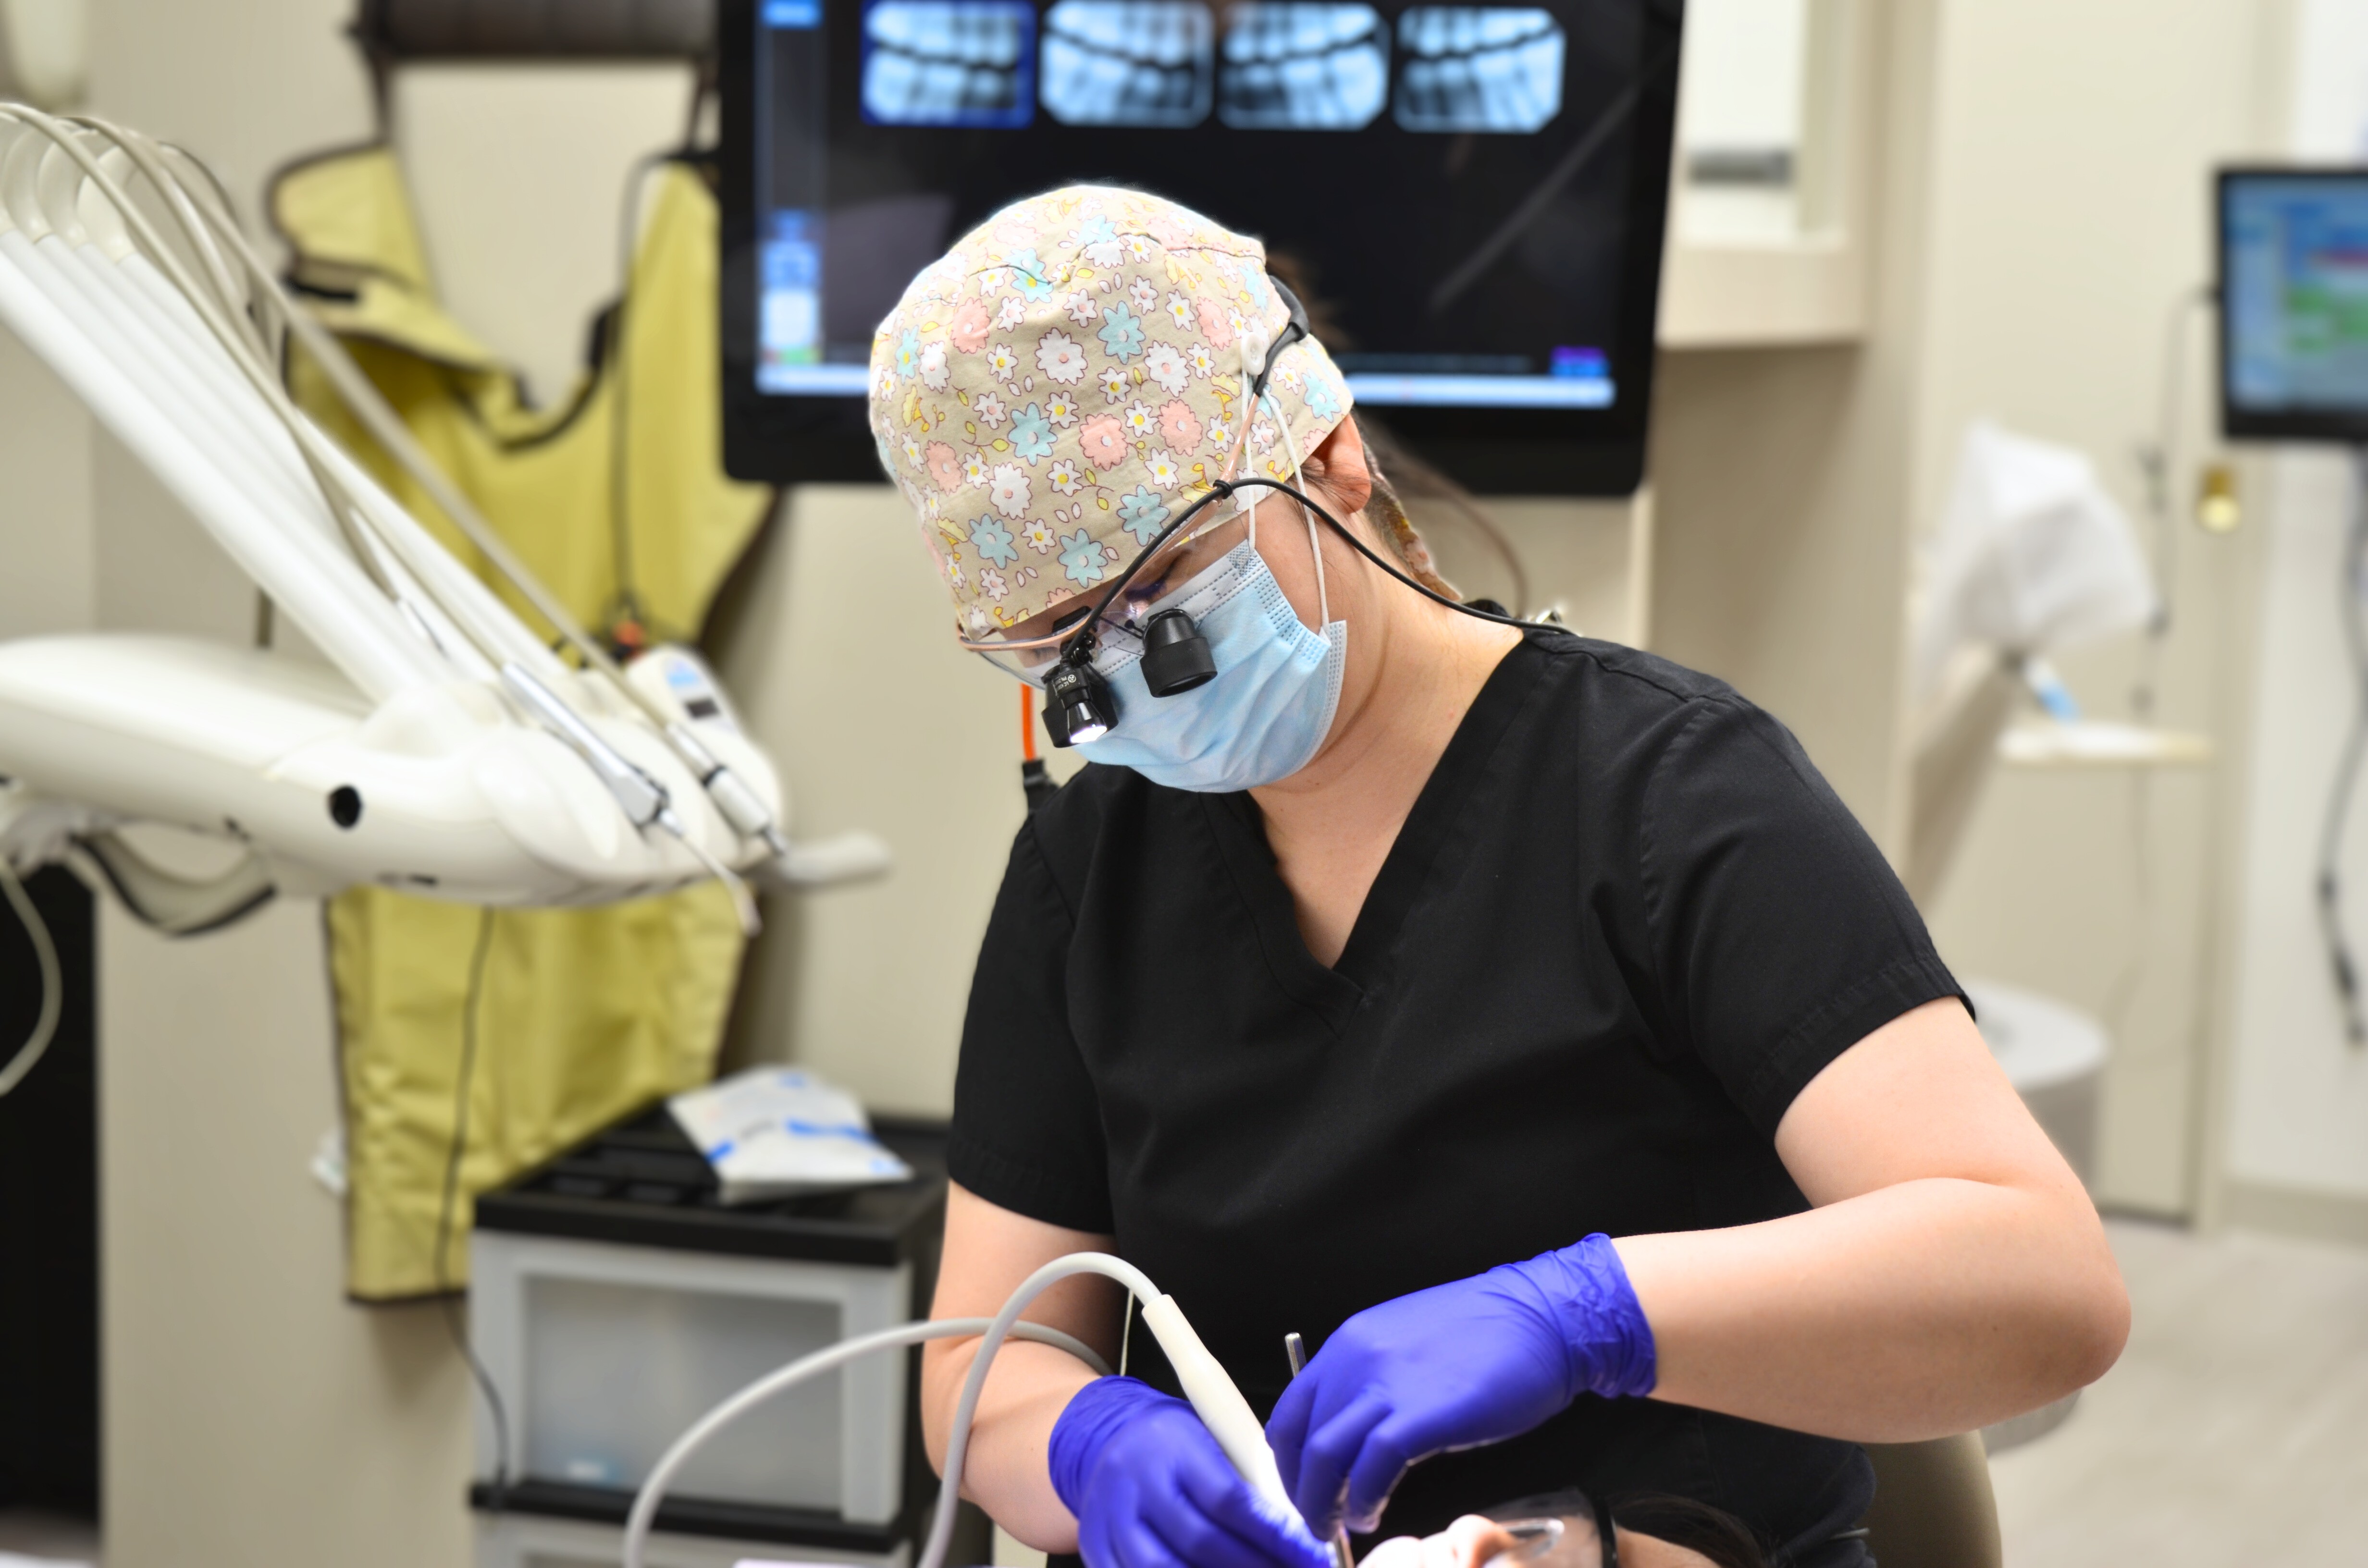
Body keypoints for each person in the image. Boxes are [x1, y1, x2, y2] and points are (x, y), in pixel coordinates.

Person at [866, 186, 2128, 1568]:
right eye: (1066, 653)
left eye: (1169, 597)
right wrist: (1087, 1448)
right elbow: (978, 1380)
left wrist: (1588, 1316)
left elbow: (2044, 1286)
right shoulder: (1089, 870)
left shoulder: (1670, 799)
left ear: (1330, 456)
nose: (1134, 680)